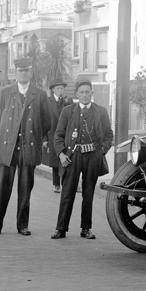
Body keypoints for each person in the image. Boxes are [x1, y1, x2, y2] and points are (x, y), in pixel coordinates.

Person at [0, 57, 52, 236]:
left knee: (25, 188)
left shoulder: (39, 94)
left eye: (27, 71)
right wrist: (9, 135)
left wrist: (33, 136)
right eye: (21, 71)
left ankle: (22, 225)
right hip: (8, 147)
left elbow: (46, 122)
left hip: (28, 147)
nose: (24, 74)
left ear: (31, 72)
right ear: (16, 73)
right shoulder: (6, 92)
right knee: (2, 187)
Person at [51, 78, 113, 239]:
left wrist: (101, 152)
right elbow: (58, 136)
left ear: (92, 93)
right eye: (82, 92)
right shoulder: (68, 111)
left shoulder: (101, 111)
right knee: (67, 192)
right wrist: (61, 154)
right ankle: (61, 228)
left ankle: (86, 228)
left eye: (87, 92)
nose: (85, 95)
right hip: (72, 156)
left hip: (93, 156)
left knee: (88, 192)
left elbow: (108, 135)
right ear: (76, 94)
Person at [43, 79, 69, 193]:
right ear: (53, 90)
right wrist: (44, 139)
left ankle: (65, 183)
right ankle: (56, 184)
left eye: (62, 88)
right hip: (52, 135)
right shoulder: (47, 102)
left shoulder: (67, 101)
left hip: (65, 135)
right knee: (55, 161)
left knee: (65, 159)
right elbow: (42, 121)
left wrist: (67, 102)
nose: (60, 91)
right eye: (58, 88)